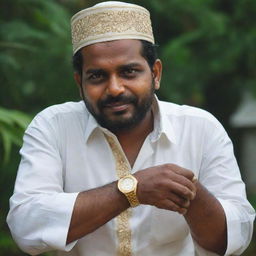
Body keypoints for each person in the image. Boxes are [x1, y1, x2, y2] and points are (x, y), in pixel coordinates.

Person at [7, 1, 255, 256]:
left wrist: (190, 193)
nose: (115, 88)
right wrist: (130, 190)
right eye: (97, 76)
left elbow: (237, 236)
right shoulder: (53, 126)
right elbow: (27, 225)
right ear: (79, 82)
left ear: (155, 74)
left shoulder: (201, 128)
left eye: (129, 72)